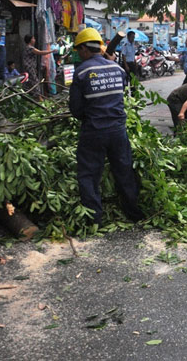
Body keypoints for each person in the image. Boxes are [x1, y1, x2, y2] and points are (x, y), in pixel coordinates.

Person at [68, 28, 144, 226]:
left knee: (89, 173)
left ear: (85, 48)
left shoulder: (82, 71)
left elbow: (75, 109)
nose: (78, 54)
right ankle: (133, 213)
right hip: (118, 130)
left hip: (94, 131)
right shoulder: (117, 69)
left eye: (79, 50)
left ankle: (94, 220)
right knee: (124, 170)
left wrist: (91, 115)